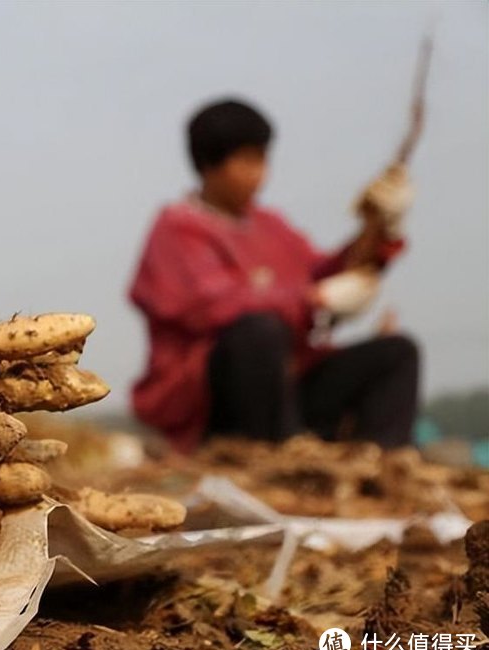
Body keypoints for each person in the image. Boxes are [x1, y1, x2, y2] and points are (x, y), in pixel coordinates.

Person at [128, 98, 419, 453]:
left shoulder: (270, 226)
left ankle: (378, 465)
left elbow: (324, 271)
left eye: (262, 160)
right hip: (214, 402)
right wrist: (314, 300)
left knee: (398, 354)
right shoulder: (176, 228)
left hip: (291, 387)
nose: (259, 174)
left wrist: (380, 229)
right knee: (257, 331)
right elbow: (215, 305)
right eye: (247, 161)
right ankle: (279, 457)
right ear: (209, 165)